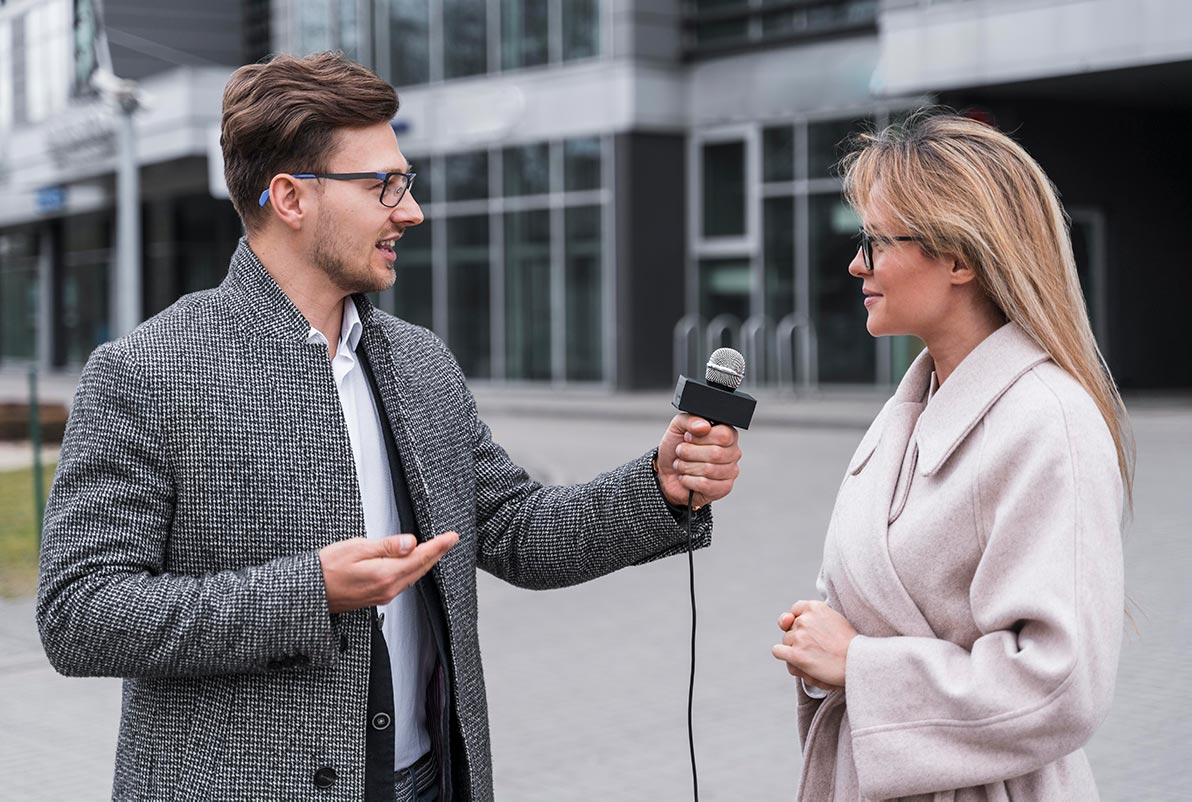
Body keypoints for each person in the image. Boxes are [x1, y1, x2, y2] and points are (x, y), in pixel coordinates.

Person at [37, 52, 743, 802]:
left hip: (430, 784)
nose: (411, 210)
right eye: (384, 185)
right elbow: (79, 613)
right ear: (289, 197)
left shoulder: (419, 361)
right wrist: (307, 592)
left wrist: (658, 488)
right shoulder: (145, 372)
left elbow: (510, 526)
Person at [770, 111, 1132, 801]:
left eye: (877, 242)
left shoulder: (1047, 421)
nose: (856, 264)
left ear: (961, 258)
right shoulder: (907, 412)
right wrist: (822, 645)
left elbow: (1061, 681)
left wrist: (859, 664)